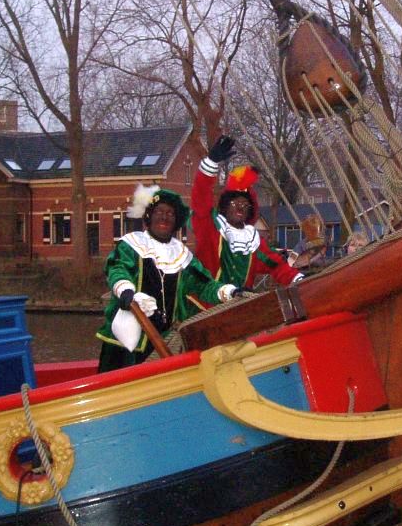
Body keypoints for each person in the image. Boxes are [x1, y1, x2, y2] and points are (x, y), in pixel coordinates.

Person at [96, 186, 239, 373]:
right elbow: (118, 268)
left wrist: (231, 292)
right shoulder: (132, 244)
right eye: (159, 212)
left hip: (166, 340)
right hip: (127, 343)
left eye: (170, 214)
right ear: (149, 216)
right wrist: (125, 289)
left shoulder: (182, 254)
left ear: (176, 221)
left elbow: (204, 285)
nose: (164, 217)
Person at [191, 135, 301, 303]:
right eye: (235, 203)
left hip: (240, 309)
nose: (240, 207)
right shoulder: (210, 226)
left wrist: (299, 279)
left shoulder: (253, 240)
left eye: (245, 204)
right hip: (204, 308)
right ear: (225, 206)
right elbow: (200, 197)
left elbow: (275, 265)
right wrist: (210, 163)